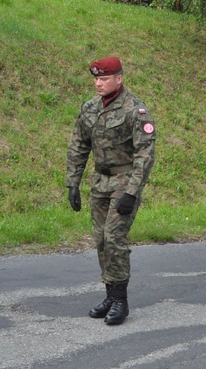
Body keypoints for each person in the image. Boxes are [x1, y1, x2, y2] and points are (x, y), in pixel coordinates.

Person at [66, 57, 156, 325]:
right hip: (99, 182)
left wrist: (132, 191)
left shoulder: (135, 110)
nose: (98, 83)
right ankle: (109, 294)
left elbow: (145, 153)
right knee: (101, 240)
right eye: (96, 78)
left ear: (119, 78)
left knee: (114, 238)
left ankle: (120, 300)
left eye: (104, 78)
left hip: (124, 181)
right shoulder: (90, 107)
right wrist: (73, 182)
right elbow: (79, 145)